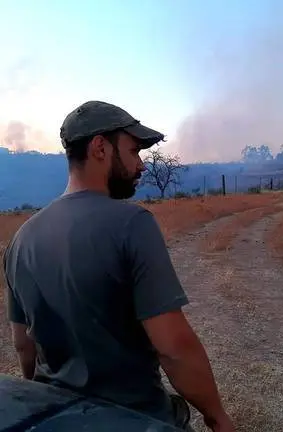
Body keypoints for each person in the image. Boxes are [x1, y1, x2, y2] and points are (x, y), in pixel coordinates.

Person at [3, 100, 235, 431]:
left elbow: (23, 344)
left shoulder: (20, 240)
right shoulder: (132, 223)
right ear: (100, 147)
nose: (141, 165)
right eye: (134, 150)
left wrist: (46, 406)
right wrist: (218, 417)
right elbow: (174, 348)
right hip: (134, 417)